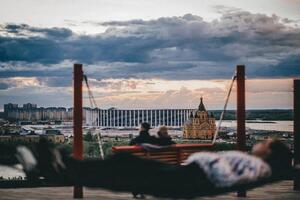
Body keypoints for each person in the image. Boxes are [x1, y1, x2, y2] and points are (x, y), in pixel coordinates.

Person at [15, 139, 292, 199]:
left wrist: (205, 165)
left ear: (270, 152)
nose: (260, 141)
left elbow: (225, 178)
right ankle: (61, 166)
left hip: (192, 180)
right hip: (189, 175)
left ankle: (55, 170)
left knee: (125, 170)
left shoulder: (263, 169)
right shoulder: (258, 164)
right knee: (125, 166)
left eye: (265, 141)